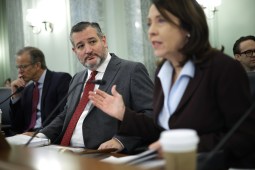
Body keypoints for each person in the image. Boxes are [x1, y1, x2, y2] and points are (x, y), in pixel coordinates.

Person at [89, 0, 255, 168]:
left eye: (161, 20)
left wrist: (183, 145)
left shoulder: (223, 68)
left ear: (188, 25)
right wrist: (124, 113)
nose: (151, 31)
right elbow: (162, 130)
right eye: (149, 23)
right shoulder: (162, 71)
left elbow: (244, 136)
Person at [37, 22, 154, 153]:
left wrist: (121, 140)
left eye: (92, 42)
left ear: (103, 41)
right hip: (66, 150)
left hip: (102, 154)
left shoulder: (131, 71)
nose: (88, 50)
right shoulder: (77, 78)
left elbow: (152, 116)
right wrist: (41, 136)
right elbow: (66, 115)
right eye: (80, 46)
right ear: (75, 51)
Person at [10, 46, 72, 134]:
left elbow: (65, 116)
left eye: (23, 67)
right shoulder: (27, 90)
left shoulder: (61, 80)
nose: (20, 72)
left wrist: (40, 134)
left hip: (49, 136)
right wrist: (15, 95)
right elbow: (16, 126)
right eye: (18, 67)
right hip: (26, 136)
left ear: (37, 65)